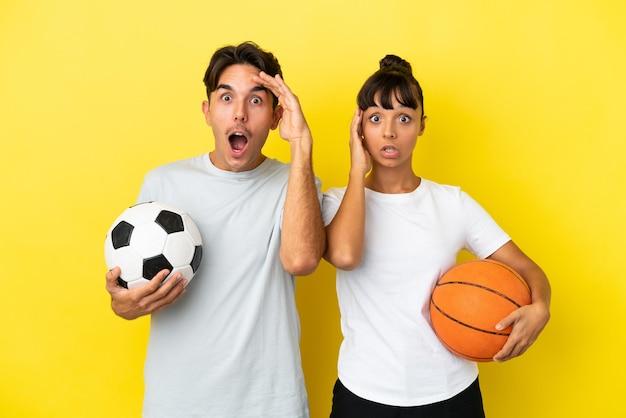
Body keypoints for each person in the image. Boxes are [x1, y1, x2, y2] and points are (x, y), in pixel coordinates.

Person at [322, 55, 551, 418]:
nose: (390, 132)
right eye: (376, 119)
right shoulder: (337, 201)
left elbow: (528, 269)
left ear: (422, 126)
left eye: (404, 118)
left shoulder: (453, 203)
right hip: (363, 393)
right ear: (359, 127)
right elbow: (346, 255)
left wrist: (541, 307)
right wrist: (356, 170)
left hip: (450, 393)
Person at [105, 41, 325, 417]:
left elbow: (302, 260)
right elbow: (129, 296)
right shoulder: (164, 184)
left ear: (276, 116)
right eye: (226, 98)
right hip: (178, 403)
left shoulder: (297, 182)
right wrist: (123, 304)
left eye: (256, 101)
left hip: (270, 404)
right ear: (208, 111)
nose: (239, 114)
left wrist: (302, 145)